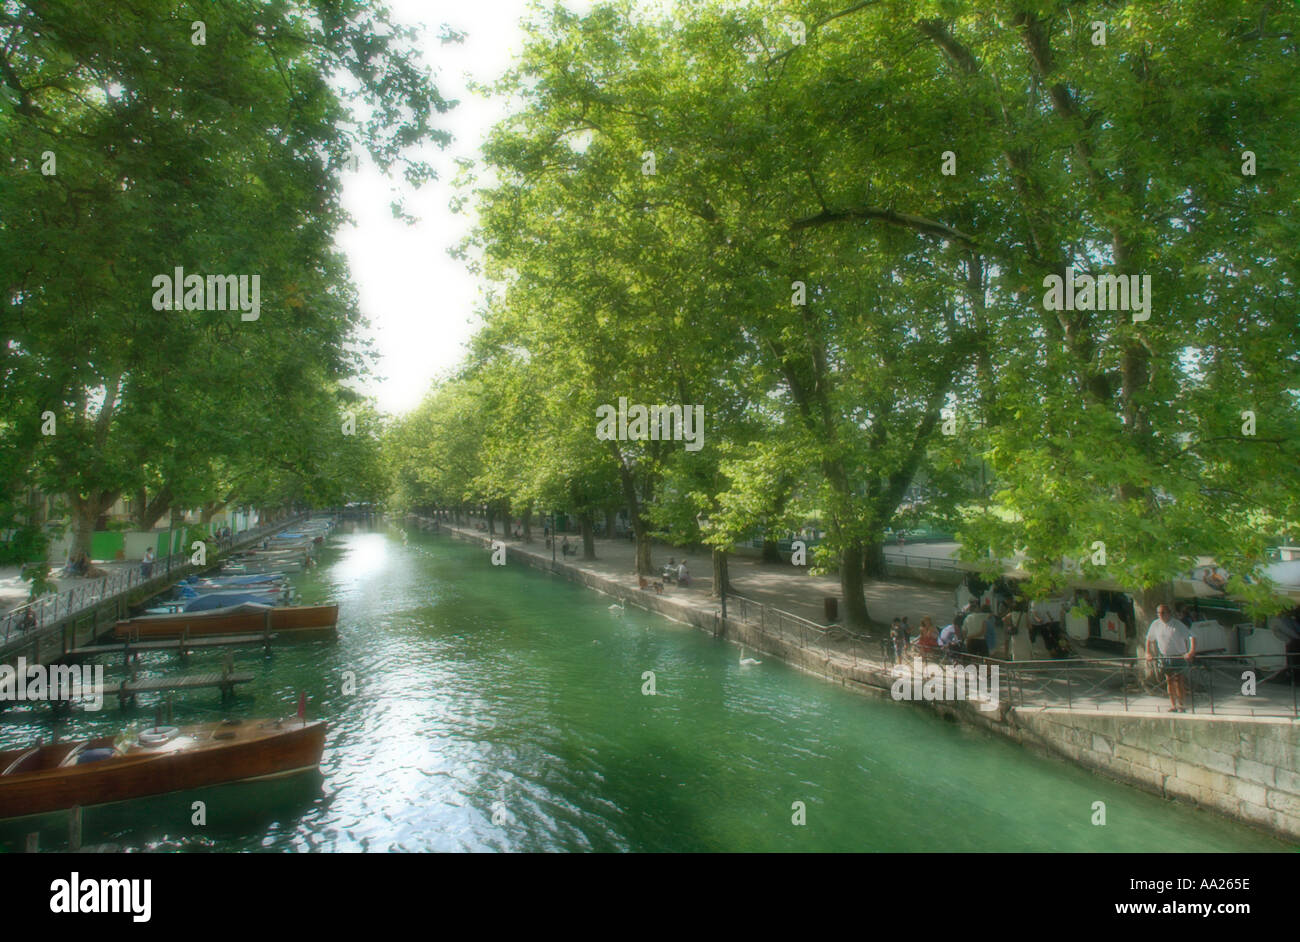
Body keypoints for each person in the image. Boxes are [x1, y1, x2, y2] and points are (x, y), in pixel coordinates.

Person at [1147, 603, 1195, 712]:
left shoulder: (1177, 624)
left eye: (1163, 613)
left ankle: (1181, 704)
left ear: (1169, 613)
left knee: (1179, 681)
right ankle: (1173, 705)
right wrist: (1148, 653)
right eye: (1159, 613)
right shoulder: (1156, 624)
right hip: (1165, 657)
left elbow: (1192, 636)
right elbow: (1149, 639)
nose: (1161, 615)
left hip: (1178, 656)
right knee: (1169, 681)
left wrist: (1191, 652)